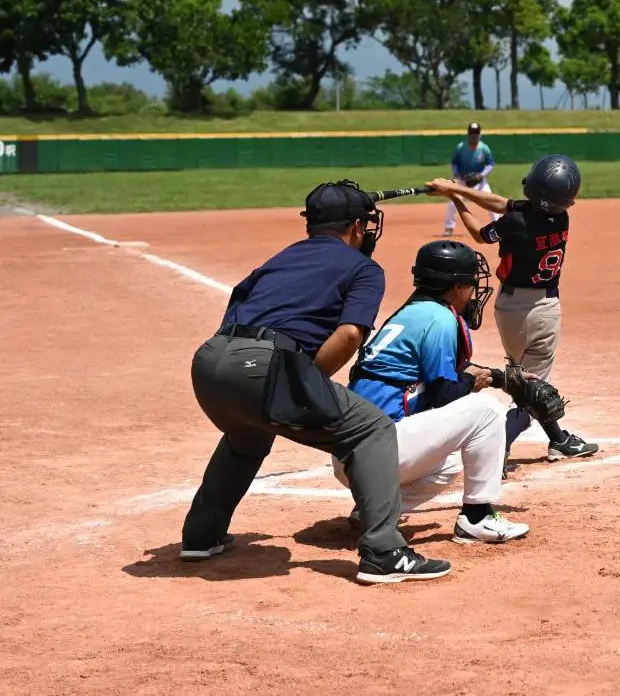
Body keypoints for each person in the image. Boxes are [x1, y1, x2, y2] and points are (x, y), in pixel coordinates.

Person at [180, 180, 451, 585]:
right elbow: (349, 335)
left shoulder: (278, 259)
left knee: (248, 433)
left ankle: (201, 535)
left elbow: (236, 310)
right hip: (262, 364)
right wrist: (301, 384)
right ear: (358, 227)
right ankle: (384, 552)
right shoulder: (363, 269)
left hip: (208, 362)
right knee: (372, 428)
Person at [336, 239, 530, 544]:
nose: (473, 292)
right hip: (379, 450)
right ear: (455, 287)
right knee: (488, 411)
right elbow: (446, 395)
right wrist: (483, 382)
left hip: (351, 453)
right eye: (469, 283)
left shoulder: (412, 313)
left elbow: (443, 378)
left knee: (448, 463)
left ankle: (374, 510)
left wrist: (498, 377)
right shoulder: (439, 319)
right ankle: (477, 518)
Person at [427, 154, 600, 461]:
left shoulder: (518, 221)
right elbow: (500, 203)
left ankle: (558, 439)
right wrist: (457, 191)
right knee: (533, 389)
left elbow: (483, 232)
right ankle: (496, 448)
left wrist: (456, 197)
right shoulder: (560, 217)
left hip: (508, 309)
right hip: (541, 309)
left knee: (524, 380)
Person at [444, 122, 496, 236]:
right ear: (468, 134)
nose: (474, 136)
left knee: (491, 200)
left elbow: (490, 164)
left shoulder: (484, 148)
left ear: (479, 134)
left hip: (479, 181)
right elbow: (454, 163)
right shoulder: (461, 147)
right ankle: (449, 228)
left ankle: (499, 225)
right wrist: (456, 175)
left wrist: (481, 175)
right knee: (453, 201)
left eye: (476, 133)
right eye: (472, 133)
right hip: (462, 181)